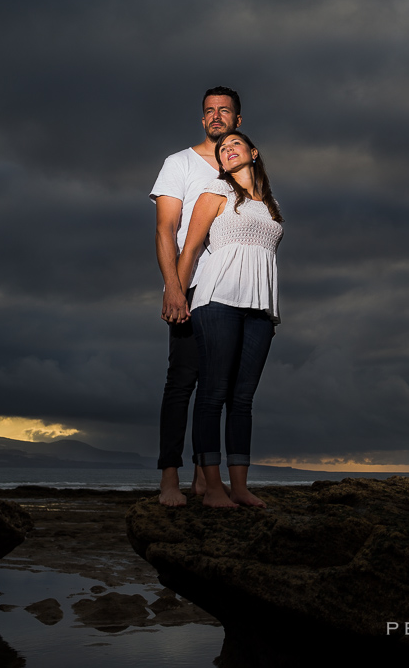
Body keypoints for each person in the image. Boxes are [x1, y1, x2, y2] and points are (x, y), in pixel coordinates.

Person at [177, 130, 284, 508]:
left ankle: (239, 488)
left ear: (253, 153)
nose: (228, 150)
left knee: (242, 400)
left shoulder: (270, 205)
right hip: (217, 300)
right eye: (223, 149)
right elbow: (189, 248)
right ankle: (213, 488)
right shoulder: (215, 193)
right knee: (213, 394)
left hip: (260, 309)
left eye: (235, 144)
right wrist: (175, 291)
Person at [149, 87, 242, 506]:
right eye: (209, 111)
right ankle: (170, 477)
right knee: (181, 382)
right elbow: (166, 228)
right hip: (191, 286)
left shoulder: (242, 167)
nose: (216, 116)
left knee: (220, 387)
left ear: (238, 120)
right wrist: (172, 287)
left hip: (231, 291)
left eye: (224, 110)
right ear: (202, 119)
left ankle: (208, 479)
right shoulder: (180, 163)